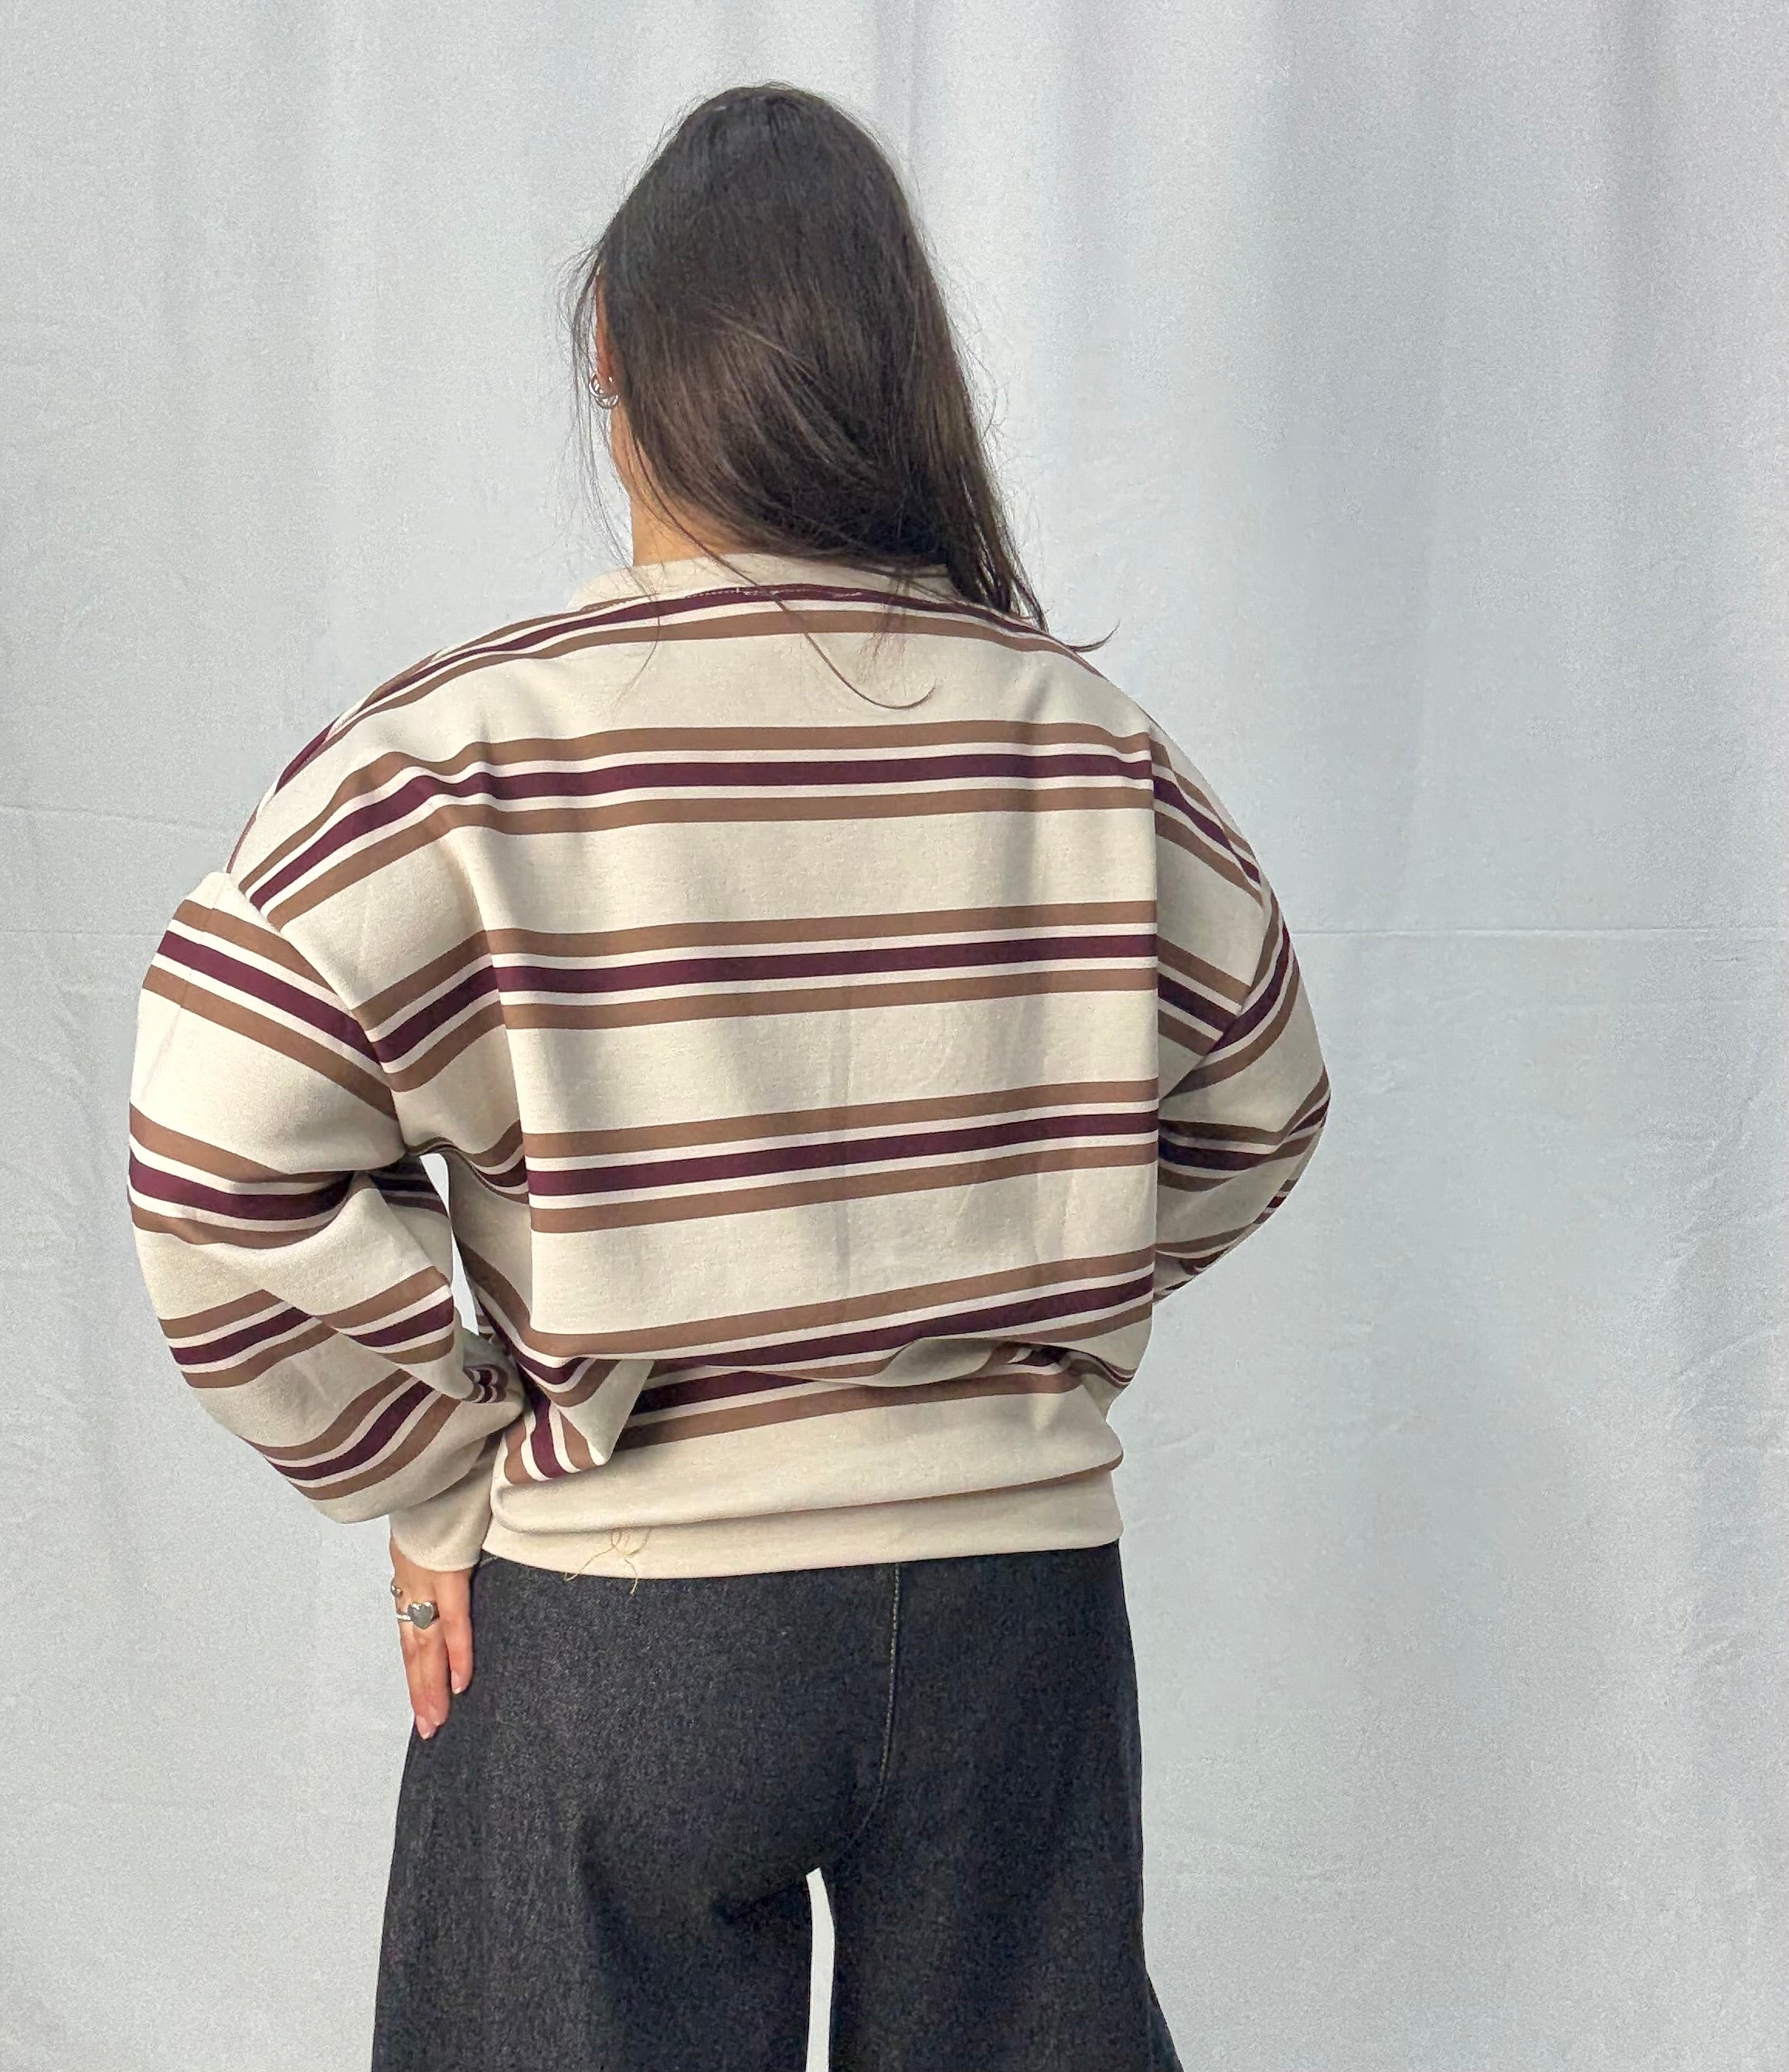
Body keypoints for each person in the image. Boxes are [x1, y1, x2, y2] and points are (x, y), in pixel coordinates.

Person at [126, 80, 1329, 2072]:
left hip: (629, 1618)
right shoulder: (1087, 744)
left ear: (613, 360)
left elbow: (210, 1158)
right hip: (1014, 1620)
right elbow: (1261, 1097)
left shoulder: (473, 748)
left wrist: (433, 1468)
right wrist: (1005, 1287)